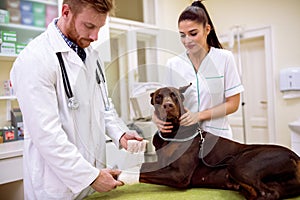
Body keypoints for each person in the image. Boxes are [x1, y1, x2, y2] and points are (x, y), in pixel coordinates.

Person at [10, 0, 145, 199]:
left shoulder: (92, 55)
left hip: (94, 181)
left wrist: (120, 133)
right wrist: (88, 176)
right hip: (57, 188)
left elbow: (103, 106)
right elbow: (46, 134)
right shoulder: (35, 59)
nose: (95, 36)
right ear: (66, 12)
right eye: (89, 26)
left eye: (100, 28)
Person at [153, 0, 244, 139]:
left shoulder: (224, 58)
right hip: (185, 139)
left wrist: (199, 116)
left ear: (207, 29)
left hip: (218, 138)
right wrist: (156, 118)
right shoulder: (173, 64)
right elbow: (162, 102)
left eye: (193, 33)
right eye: (182, 35)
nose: (187, 40)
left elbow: (233, 104)